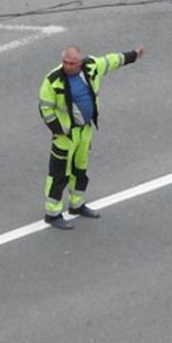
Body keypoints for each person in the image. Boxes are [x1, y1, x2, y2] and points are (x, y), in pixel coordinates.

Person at [38, 44, 145, 230]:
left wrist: (133, 55)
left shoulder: (91, 67)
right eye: (65, 62)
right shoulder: (53, 80)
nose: (67, 66)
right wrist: (58, 130)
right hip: (65, 136)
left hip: (84, 131)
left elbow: (111, 60)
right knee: (59, 175)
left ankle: (77, 205)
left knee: (80, 170)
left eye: (72, 63)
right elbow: (45, 108)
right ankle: (52, 213)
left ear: (80, 62)